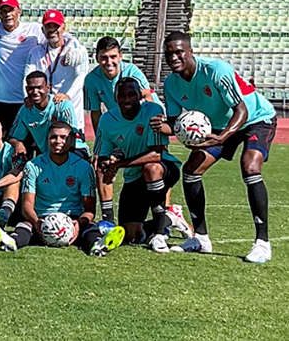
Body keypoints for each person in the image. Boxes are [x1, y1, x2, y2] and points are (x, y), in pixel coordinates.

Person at [154, 31, 277, 263]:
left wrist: (223, 138)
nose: (174, 58)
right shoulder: (171, 84)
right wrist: (162, 126)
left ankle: (262, 243)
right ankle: (201, 239)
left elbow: (241, 110)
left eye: (179, 52)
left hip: (256, 118)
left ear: (190, 52)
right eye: (169, 54)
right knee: (191, 170)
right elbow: (173, 122)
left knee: (250, 166)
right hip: (218, 126)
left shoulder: (215, 70)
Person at [0, 122, 123, 256]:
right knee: (25, 225)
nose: (58, 141)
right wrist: (37, 222)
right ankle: (11, 241)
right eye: (53, 137)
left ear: (71, 141)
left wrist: (78, 224)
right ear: (47, 139)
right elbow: (27, 205)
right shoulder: (33, 166)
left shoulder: (84, 167)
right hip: (42, 219)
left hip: (73, 219)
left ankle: (98, 245)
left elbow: (89, 210)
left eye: (63, 137)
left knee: (90, 227)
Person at [96, 77, 183, 254]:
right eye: (122, 95)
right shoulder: (107, 120)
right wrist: (107, 165)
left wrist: (119, 164)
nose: (127, 99)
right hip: (133, 175)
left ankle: (159, 234)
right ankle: (171, 218)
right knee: (130, 236)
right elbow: (102, 155)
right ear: (115, 98)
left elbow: (156, 154)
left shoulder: (153, 110)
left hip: (164, 168)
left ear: (140, 96)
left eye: (132, 94)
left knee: (151, 168)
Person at [84, 36, 155, 224]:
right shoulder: (91, 79)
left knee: (156, 166)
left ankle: (165, 214)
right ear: (96, 58)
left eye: (113, 57)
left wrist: (150, 129)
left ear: (120, 56)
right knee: (101, 165)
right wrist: (102, 146)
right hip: (116, 131)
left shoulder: (132, 71)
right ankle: (107, 220)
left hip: (139, 129)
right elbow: (95, 113)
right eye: (104, 57)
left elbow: (148, 98)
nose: (109, 62)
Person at [0, 0, 44, 135]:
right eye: (3, 11)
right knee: (3, 145)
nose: (8, 14)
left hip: (28, 99)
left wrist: (73, 48)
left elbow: (60, 35)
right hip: (2, 100)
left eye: (11, 10)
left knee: (29, 144)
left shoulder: (33, 29)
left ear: (19, 11)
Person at [24, 9, 90, 133]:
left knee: (73, 150)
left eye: (56, 26)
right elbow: (27, 76)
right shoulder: (36, 52)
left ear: (63, 28)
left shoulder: (77, 50)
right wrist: (27, 95)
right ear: (43, 30)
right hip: (45, 116)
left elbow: (81, 76)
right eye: (48, 26)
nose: (52, 30)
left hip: (72, 114)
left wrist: (67, 95)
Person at [9, 71, 88, 159]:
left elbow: (72, 136)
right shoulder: (25, 110)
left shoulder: (61, 105)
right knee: (12, 154)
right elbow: (13, 137)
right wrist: (17, 143)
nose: (35, 92)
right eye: (31, 88)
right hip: (47, 153)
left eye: (39, 87)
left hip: (73, 150)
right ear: (27, 89)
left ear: (47, 88)